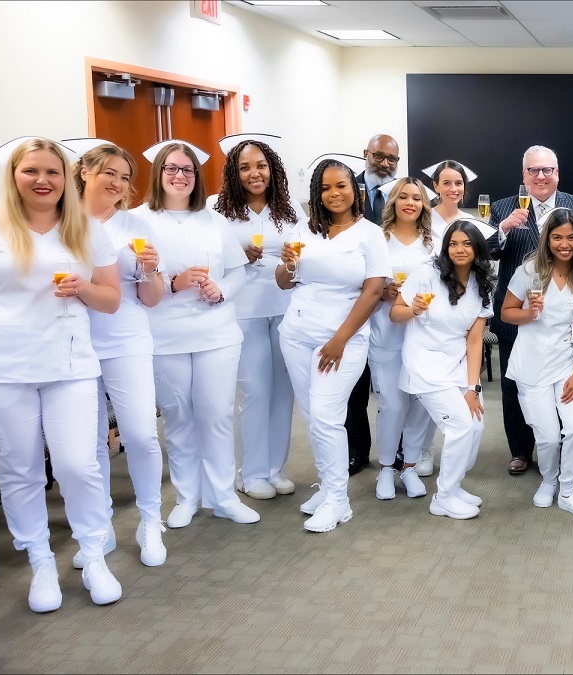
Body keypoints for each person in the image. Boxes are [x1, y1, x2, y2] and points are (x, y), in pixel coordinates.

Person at [0, 137, 123, 611]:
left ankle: (93, 554)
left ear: (66, 178)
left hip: (69, 363)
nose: (42, 180)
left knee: (78, 464)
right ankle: (41, 563)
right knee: (20, 470)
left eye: (52, 171)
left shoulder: (86, 230)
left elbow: (111, 299)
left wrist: (84, 288)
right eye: (31, 171)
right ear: (14, 175)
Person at [132, 141, 260, 529]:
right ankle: (187, 496)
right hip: (165, 335)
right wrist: (172, 283)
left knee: (217, 414)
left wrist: (220, 290)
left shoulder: (213, 219)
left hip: (216, 334)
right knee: (179, 416)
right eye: (171, 168)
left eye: (187, 169)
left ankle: (223, 496)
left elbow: (238, 271)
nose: (179, 176)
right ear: (158, 173)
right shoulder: (139, 220)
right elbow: (131, 280)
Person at [277, 157, 389, 532]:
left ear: (354, 189)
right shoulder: (305, 229)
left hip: (343, 339)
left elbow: (374, 290)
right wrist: (286, 263)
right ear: (316, 193)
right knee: (314, 417)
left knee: (327, 415)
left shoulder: (369, 234)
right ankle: (327, 487)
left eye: (340, 185)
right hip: (296, 333)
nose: (333, 193)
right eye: (325, 188)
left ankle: (339, 501)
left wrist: (340, 338)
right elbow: (283, 281)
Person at [71, 140, 168, 569]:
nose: (118, 182)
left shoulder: (136, 226)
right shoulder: (59, 223)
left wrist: (148, 269)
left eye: (125, 177)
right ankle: (101, 526)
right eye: (109, 172)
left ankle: (150, 520)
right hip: (74, 342)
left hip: (126, 338)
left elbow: (152, 298)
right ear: (85, 171)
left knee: (141, 434)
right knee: (91, 443)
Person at [213, 134, 306, 501]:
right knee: (255, 390)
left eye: (261, 165)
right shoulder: (217, 210)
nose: (255, 173)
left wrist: (292, 258)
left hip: (285, 308)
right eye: (245, 167)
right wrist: (237, 254)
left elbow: (303, 254)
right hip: (244, 311)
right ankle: (249, 473)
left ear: (272, 169)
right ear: (234, 173)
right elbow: (208, 258)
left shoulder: (290, 210)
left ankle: (273, 469)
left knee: (283, 393)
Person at [486, 145, 573, 476]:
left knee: (558, 382)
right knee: (515, 384)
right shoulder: (502, 208)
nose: (541, 176)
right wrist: (503, 230)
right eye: (534, 171)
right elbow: (485, 251)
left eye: (547, 170)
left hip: (561, 318)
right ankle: (519, 450)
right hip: (516, 315)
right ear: (523, 175)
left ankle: (554, 448)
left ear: (557, 173)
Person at [502, 208, 573, 519]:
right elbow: (506, 312)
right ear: (547, 240)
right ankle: (548, 480)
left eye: (571, 237)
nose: (565, 244)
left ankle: (568, 491)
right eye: (557, 237)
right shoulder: (530, 270)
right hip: (531, 365)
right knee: (545, 435)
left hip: (566, 365)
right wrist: (530, 313)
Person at [391, 220, 495, 520]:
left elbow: (475, 340)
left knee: (475, 425)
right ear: (445, 247)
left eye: (466, 244)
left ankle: (455, 484)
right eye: (453, 243)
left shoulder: (482, 282)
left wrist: (473, 389)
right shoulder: (426, 274)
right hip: (425, 363)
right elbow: (395, 313)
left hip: (458, 363)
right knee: (460, 426)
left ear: (477, 249)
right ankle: (443, 497)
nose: (460, 249)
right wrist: (414, 310)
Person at [369, 177, 438, 501]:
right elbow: (360, 284)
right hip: (387, 333)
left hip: (424, 338)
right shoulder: (376, 240)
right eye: (403, 197)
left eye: (417, 198)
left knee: (420, 405)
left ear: (424, 204)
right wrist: (384, 292)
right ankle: (386, 468)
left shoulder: (433, 243)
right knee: (392, 404)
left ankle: (409, 466)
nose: (410, 202)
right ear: (393, 202)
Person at [343, 133, 400, 474]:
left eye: (392, 159)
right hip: (353, 297)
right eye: (379, 156)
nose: (385, 164)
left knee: (394, 387)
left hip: (392, 301)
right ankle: (357, 450)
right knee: (354, 383)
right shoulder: (347, 188)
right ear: (365, 154)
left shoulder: (405, 192)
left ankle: (397, 451)